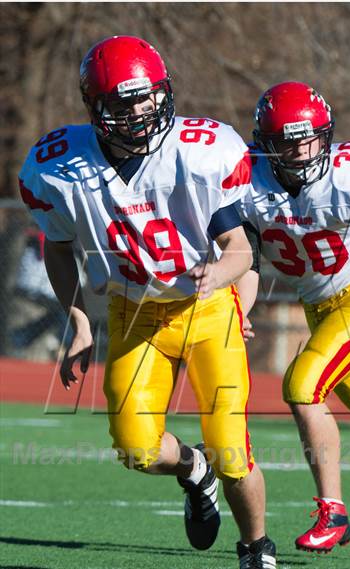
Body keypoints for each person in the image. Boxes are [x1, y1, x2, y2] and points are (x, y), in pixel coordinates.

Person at [19, 36, 277, 568]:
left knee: (231, 448)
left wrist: (220, 274)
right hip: (132, 312)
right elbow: (60, 249)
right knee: (136, 447)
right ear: (95, 106)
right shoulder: (59, 167)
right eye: (124, 102)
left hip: (206, 312)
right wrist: (79, 324)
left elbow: (241, 250)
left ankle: (256, 548)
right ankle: (191, 470)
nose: (140, 111)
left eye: (147, 97)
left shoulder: (201, 151)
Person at [237, 81, 350, 553]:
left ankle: (332, 512)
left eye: (310, 138)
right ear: (266, 145)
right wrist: (241, 306)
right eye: (288, 142)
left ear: (326, 134)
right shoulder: (248, 186)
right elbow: (248, 257)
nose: (301, 151)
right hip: (320, 309)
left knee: (302, 385)